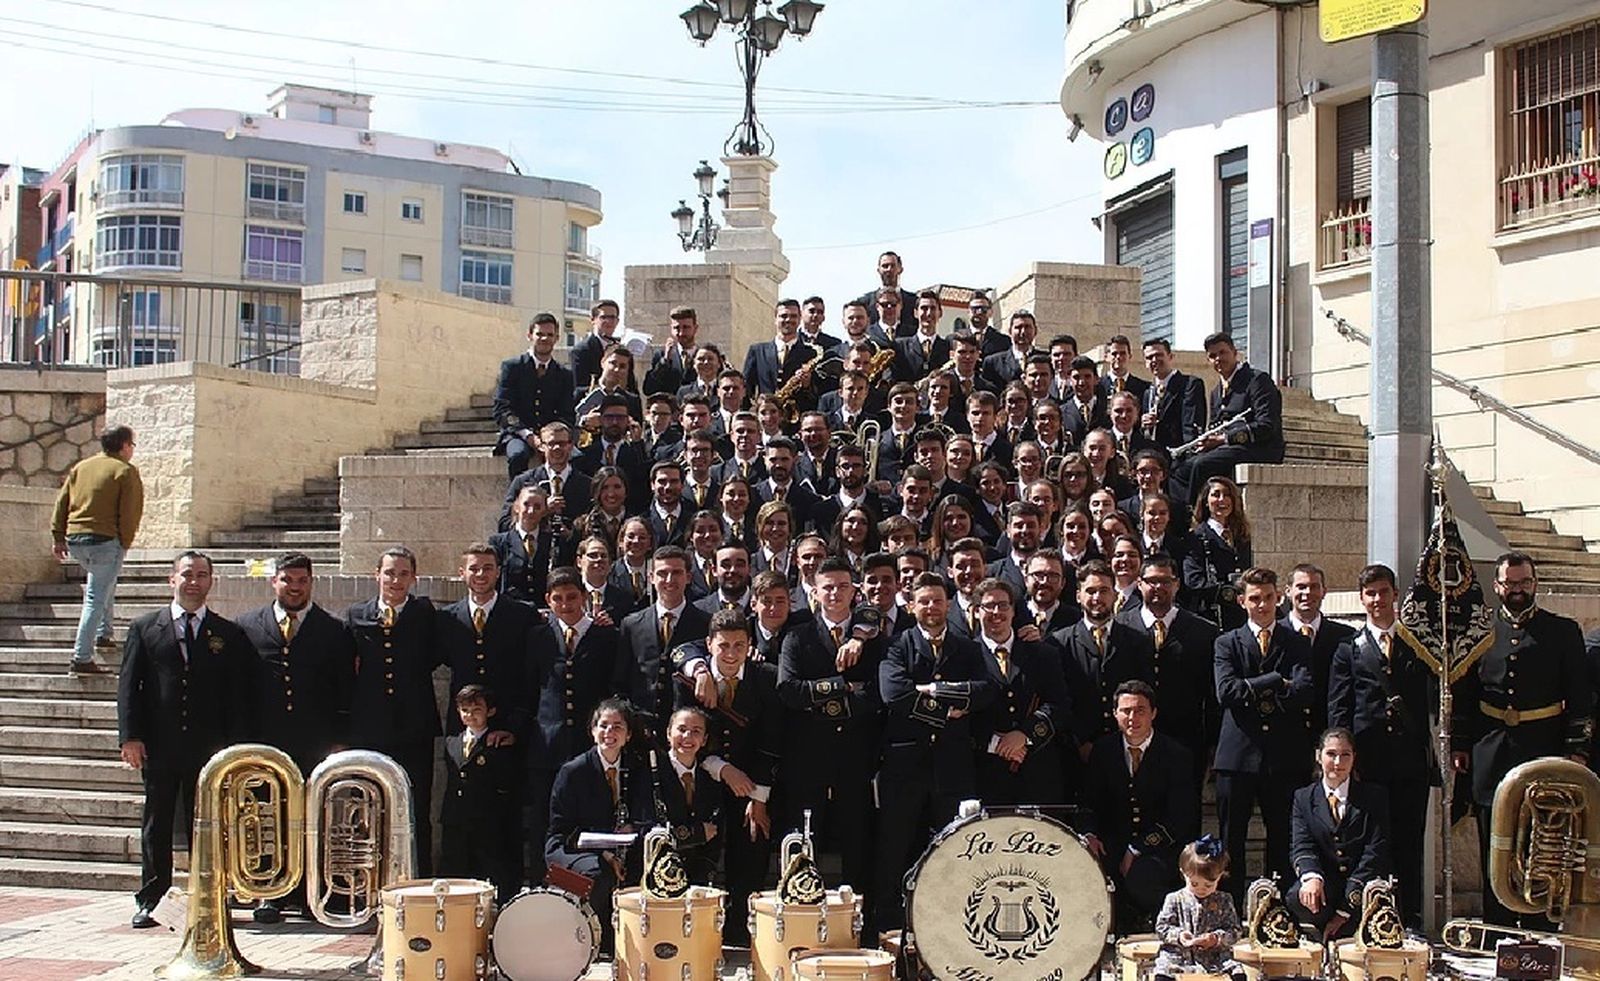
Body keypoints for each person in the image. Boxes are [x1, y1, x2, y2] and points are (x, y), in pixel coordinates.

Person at [1455, 551, 1593, 926]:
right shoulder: (1478, 630)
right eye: (1510, 584)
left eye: (1524, 583)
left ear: (1535, 584)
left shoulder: (1563, 631)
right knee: (1494, 848)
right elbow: (1464, 694)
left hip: (1543, 747)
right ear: (1497, 586)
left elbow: (1580, 697)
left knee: (1544, 847)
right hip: (1490, 751)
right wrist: (1461, 744)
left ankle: (1540, 934)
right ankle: (1497, 929)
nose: (1518, 590)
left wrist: (1576, 750)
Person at [117, 551, 250, 927]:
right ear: (171, 580)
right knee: (157, 823)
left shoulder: (227, 633)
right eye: (187, 575)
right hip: (159, 744)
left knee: (207, 825)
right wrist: (131, 736)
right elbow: (129, 686)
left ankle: (209, 897)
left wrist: (234, 747)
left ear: (211, 582)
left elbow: (235, 695)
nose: (194, 582)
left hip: (208, 749)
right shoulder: (145, 628)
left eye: (202, 575)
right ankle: (152, 898)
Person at [234, 551, 356, 923]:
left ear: (311, 583)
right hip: (265, 740)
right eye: (288, 580)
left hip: (314, 740)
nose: (295, 587)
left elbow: (344, 689)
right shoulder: (247, 625)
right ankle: (267, 893)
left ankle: (310, 894)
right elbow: (238, 690)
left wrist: (339, 738)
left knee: (312, 818)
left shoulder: (333, 629)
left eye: (302, 580)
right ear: (274, 581)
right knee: (265, 817)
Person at [875, 572, 996, 931]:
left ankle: (952, 927)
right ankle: (890, 929)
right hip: (904, 766)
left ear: (948, 604)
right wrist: (946, 709)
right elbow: (893, 692)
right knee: (894, 850)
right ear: (911, 606)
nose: (931, 607)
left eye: (938, 600)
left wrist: (931, 690)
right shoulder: (897, 645)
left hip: (952, 767)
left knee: (954, 850)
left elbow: (985, 688)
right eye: (924, 601)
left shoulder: (968, 646)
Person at [777, 559, 884, 916]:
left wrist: (820, 700)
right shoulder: (798, 635)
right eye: (828, 587)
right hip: (809, 758)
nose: (835, 593)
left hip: (856, 758)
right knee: (805, 843)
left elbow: (877, 695)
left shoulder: (873, 638)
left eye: (842, 586)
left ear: (854, 591)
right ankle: (802, 920)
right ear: (815, 592)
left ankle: (860, 924)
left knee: (858, 844)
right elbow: (789, 691)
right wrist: (842, 688)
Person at [674, 609, 782, 945]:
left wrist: (758, 797)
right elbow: (684, 737)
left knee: (751, 849)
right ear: (709, 645)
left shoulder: (767, 677)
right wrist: (721, 768)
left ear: (750, 645)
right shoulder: (690, 679)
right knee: (697, 852)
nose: (731, 654)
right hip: (704, 778)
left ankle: (741, 929)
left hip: (752, 781)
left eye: (739, 645)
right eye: (723, 646)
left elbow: (772, 740)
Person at [1213, 566, 1314, 904]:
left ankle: (1277, 909)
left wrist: (1252, 690)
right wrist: (1273, 681)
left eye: (1268, 598)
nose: (1262, 605)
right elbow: (1226, 692)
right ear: (1242, 601)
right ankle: (1228, 908)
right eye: (1254, 599)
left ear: (1278, 598)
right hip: (1238, 757)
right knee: (1231, 840)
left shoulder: (1297, 642)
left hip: (1284, 757)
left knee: (1282, 837)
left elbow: (1303, 690)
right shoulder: (1226, 642)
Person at [346, 546, 443, 876]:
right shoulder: (356, 615)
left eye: (403, 574)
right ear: (377, 575)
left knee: (416, 807)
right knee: (368, 809)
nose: (396, 580)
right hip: (369, 727)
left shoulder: (426, 614)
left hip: (414, 726)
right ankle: (368, 880)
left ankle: (420, 877)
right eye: (389, 572)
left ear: (414, 578)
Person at [527, 568, 620, 885]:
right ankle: (544, 886)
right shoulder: (537, 636)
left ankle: (590, 885)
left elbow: (613, 686)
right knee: (546, 819)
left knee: (590, 819)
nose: (566, 604)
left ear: (584, 597)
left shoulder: (606, 636)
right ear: (548, 601)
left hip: (588, 744)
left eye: (572, 597)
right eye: (558, 598)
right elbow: (529, 688)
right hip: (547, 746)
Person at [1083, 681, 1199, 930]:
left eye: (1140, 710)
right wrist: (1089, 834)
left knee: (1143, 876)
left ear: (1153, 713)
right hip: (1113, 842)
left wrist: (1138, 848)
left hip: (1159, 847)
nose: (1132, 718)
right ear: (1115, 713)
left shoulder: (1176, 754)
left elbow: (1180, 817)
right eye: (1125, 711)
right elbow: (1089, 802)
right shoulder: (1104, 751)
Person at [546, 698, 654, 954]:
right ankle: (596, 940)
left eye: (617, 727)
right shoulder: (573, 772)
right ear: (593, 731)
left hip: (621, 846)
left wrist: (633, 829)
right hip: (572, 846)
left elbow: (647, 816)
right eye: (603, 725)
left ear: (628, 735)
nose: (610, 733)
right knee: (599, 873)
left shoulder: (637, 769)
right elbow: (563, 828)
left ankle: (636, 942)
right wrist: (605, 852)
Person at [1118, 554, 1219, 794]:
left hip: (1186, 741)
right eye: (1151, 581)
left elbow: (1212, 693)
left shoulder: (1204, 631)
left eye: (1165, 581)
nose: (1158, 587)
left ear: (1176, 584)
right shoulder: (1120, 627)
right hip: (1132, 739)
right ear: (1139, 583)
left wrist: (1213, 743)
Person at [52, 424, 143, 675]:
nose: (132, 450)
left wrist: (58, 536)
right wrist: (125, 541)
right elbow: (130, 512)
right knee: (95, 596)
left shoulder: (82, 467)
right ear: (124, 446)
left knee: (104, 583)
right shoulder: (125, 471)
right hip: (105, 540)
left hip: (76, 538)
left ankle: (105, 633)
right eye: (132, 445)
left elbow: (62, 503)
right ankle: (81, 657)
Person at [1286, 727, 1391, 939]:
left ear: (1354, 758)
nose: (1337, 762)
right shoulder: (1304, 798)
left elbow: (1375, 850)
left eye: (1345, 755)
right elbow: (1302, 844)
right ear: (1319, 756)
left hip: (1361, 884)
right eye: (1331, 754)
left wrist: (1345, 909)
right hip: (1326, 886)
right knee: (1297, 897)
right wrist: (1311, 877)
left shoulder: (1374, 797)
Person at [971, 577, 1069, 805]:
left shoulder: (1042, 654)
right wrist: (998, 744)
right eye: (989, 606)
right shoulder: (965, 655)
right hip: (986, 775)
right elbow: (964, 715)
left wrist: (1025, 735)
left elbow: (1060, 705)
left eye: (1003, 605)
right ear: (976, 611)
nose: (997, 612)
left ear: (1014, 611)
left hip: (1038, 773)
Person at [1051, 560, 1156, 767]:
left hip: (1125, 748)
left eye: (1104, 590)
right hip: (1074, 752)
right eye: (1090, 591)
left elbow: (1145, 692)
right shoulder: (1059, 642)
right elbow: (1058, 698)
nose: (1097, 597)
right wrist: (1080, 740)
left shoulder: (1138, 641)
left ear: (1115, 594)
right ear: (1078, 596)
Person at [438, 545, 534, 749]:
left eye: (488, 568)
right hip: (463, 723)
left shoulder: (522, 615)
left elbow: (530, 673)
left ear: (498, 572)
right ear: (462, 573)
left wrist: (515, 725)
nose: (481, 574)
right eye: (474, 568)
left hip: (507, 722)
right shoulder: (447, 618)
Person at [1175, 332, 1285, 504]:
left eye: (1222, 352)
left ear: (1235, 353)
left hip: (1258, 448)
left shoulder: (1257, 380)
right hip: (1230, 449)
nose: (1218, 358)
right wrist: (1206, 441)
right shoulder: (1216, 392)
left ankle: (1194, 516)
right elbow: (1215, 426)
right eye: (1212, 356)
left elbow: (1267, 425)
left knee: (1201, 465)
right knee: (1180, 469)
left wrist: (1224, 439)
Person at [613, 546, 712, 734]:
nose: (669, 580)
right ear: (651, 578)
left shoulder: (706, 623)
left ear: (688, 577)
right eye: (662, 573)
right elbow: (621, 681)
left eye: (676, 573)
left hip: (688, 731)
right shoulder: (632, 624)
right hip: (642, 729)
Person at [442, 685, 523, 902]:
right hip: (457, 818)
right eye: (465, 710)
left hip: (488, 819)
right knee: (457, 871)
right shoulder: (452, 742)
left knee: (493, 872)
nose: (470, 715)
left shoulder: (499, 742)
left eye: (476, 710)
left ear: (490, 711)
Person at [494, 312, 578, 478]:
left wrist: (551, 436)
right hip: (517, 433)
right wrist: (528, 434)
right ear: (530, 335)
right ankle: (518, 501)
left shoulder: (564, 375)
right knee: (518, 456)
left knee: (578, 458)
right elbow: (502, 409)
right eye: (539, 334)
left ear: (556, 338)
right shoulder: (512, 367)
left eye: (549, 335)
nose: (545, 339)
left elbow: (567, 413)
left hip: (553, 436)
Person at [1152, 838, 1246, 981]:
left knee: (1238, 974)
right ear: (1184, 874)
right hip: (1178, 957)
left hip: (1215, 958)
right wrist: (1179, 935)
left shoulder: (1224, 900)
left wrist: (1215, 938)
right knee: (1162, 974)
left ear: (1220, 877)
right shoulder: (1174, 899)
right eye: (1194, 884)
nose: (1201, 889)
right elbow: (1162, 927)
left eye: (1208, 885)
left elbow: (1235, 930)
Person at [1282, 564, 1355, 746]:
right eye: (1301, 587)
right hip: (1283, 740)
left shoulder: (1345, 637)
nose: (1307, 593)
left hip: (1330, 739)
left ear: (1324, 592)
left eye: (1314, 587)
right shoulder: (1274, 635)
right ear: (1288, 591)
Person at [655, 706, 722, 885]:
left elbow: (715, 833)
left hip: (698, 872)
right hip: (657, 870)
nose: (687, 737)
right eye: (682, 729)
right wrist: (696, 834)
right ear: (668, 734)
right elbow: (647, 827)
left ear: (704, 739)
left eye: (696, 731)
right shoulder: (651, 773)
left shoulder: (709, 778)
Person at [1183, 477, 1252, 629]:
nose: (1222, 499)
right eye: (1216, 494)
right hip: (1211, 615)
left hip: (1240, 615)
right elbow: (1193, 580)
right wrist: (1225, 591)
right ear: (1206, 501)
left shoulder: (1242, 536)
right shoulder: (1197, 536)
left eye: (1227, 495)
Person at [1141, 338, 1207, 456]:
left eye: (1159, 355)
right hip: (1156, 457)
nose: (1154, 360)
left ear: (1170, 357)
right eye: (1149, 357)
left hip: (1180, 456)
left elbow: (1191, 425)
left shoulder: (1190, 384)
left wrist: (1188, 454)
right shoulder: (1148, 392)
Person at [891, 290, 950, 383]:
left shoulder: (947, 347)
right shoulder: (900, 346)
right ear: (915, 313)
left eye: (933, 308)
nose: (929, 313)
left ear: (940, 313)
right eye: (924, 308)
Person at [570, 298, 628, 392]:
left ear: (617, 321)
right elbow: (579, 388)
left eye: (612, 317)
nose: (609, 321)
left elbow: (631, 386)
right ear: (593, 320)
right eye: (604, 317)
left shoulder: (623, 350)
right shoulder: (581, 350)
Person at [856, 250, 918, 336]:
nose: (889, 269)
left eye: (892, 266)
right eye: (885, 266)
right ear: (878, 270)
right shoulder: (864, 303)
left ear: (900, 269)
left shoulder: (914, 302)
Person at [643, 306, 701, 397]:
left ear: (695, 328)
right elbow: (649, 389)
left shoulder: (705, 356)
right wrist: (665, 361)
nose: (681, 333)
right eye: (677, 328)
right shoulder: (662, 356)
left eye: (686, 327)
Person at [981, 310, 1039, 390]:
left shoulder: (1046, 359)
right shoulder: (993, 362)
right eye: (1018, 327)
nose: (1023, 332)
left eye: (1027, 327)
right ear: (1010, 331)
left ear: (1035, 331)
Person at [1098, 334, 1152, 402]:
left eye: (1123, 353)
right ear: (1106, 357)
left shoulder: (1144, 388)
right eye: (1114, 354)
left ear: (1130, 356)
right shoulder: (1098, 386)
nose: (1118, 357)